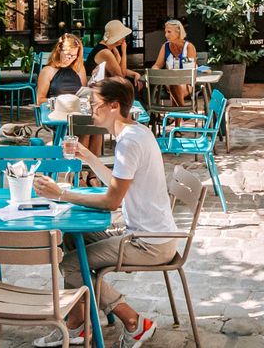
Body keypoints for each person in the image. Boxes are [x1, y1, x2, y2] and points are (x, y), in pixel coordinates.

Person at [32, 78, 174, 348]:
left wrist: (59, 194)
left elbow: (111, 202)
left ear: (113, 106)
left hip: (150, 243)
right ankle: (78, 324)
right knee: (74, 239)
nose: (90, 110)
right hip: (148, 232)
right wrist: (88, 157)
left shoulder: (129, 142)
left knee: (71, 264)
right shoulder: (136, 133)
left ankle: (133, 321)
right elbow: (116, 183)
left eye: (94, 105)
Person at [151, 18, 199, 105]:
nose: (166, 35)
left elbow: (190, 70)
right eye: (165, 32)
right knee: (172, 84)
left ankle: (179, 117)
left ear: (178, 32)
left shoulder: (189, 47)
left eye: (169, 32)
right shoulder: (165, 47)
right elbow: (157, 65)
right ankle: (182, 114)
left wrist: (177, 79)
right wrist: (154, 71)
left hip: (186, 83)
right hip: (169, 82)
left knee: (174, 86)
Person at [90, 20, 142, 90]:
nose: (124, 38)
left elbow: (117, 68)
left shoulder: (108, 48)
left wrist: (134, 73)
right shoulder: (105, 52)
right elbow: (121, 77)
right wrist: (124, 52)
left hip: (101, 85)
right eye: (122, 35)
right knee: (130, 86)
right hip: (96, 88)